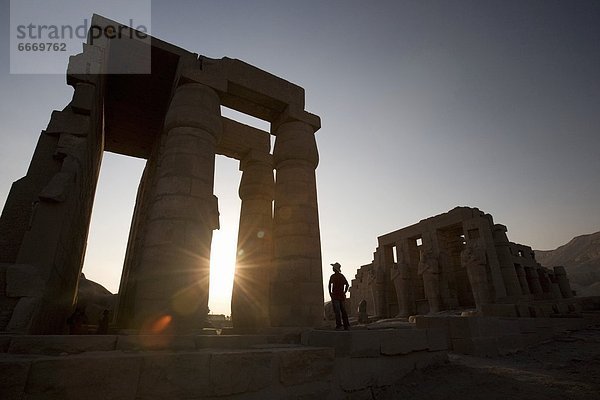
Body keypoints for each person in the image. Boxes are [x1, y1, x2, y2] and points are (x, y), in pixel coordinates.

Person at [328, 262, 350, 330]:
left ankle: (341, 325)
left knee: (339, 311)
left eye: (333, 267)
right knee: (341, 310)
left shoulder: (336, 276)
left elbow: (347, 284)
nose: (332, 268)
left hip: (337, 296)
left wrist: (331, 293)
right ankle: (344, 325)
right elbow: (347, 284)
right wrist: (344, 292)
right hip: (338, 295)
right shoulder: (338, 276)